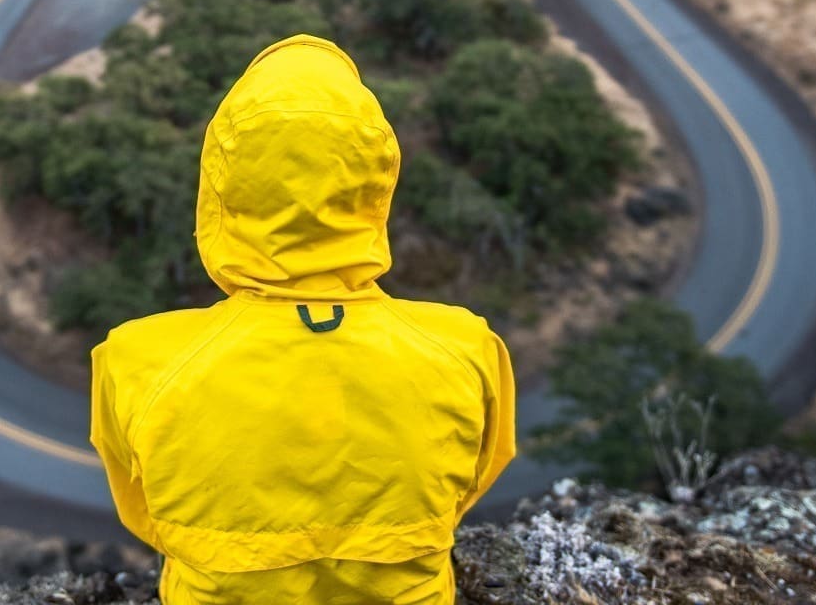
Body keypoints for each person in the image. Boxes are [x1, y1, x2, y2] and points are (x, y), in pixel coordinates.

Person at [89, 33, 516, 605]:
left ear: (220, 187)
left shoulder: (137, 359)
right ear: (376, 184)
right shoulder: (466, 349)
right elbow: (465, 490)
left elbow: (147, 517)